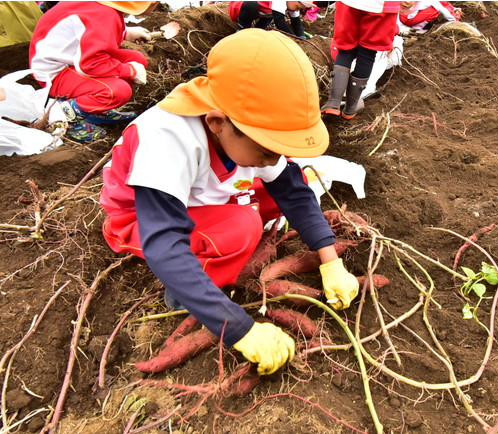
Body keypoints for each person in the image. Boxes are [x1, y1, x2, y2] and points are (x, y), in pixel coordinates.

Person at [99, 29, 360, 376]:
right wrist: (237, 327)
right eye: (267, 150)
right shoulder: (167, 140)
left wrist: (329, 258)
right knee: (243, 226)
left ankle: (218, 254)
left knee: (277, 189)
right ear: (217, 123)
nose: (274, 157)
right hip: (139, 219)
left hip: (201, 197)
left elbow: (291, 188)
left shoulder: (246, 126)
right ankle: (184, 294)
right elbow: (163, 242)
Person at [29, 1, 156, 143]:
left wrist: (125, 32)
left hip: (69, 58)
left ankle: (94, 110)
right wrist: (129, 71)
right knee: (118, 91)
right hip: (54, 73)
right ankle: (65, 116)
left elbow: (88, 28)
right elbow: (90, 64)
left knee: (136, 59)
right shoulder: (105, 14)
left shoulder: (104, 5)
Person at [321, 1, 399, 120]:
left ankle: (333, 102)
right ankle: (351, 107)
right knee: (368, 52)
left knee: (345, 48)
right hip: (380, 6)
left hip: (350, 3)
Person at [228, 1, 314, 38]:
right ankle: (242, 29)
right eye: (297, 7)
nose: (296, 10)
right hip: (238, 8)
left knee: (273, 13)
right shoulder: (280, 2)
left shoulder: (292, 6)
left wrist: (301, 37)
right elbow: (280, 22)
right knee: (252, 5)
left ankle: (260, 29)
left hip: (261, 14)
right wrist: (292, 38)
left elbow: (296, 23)